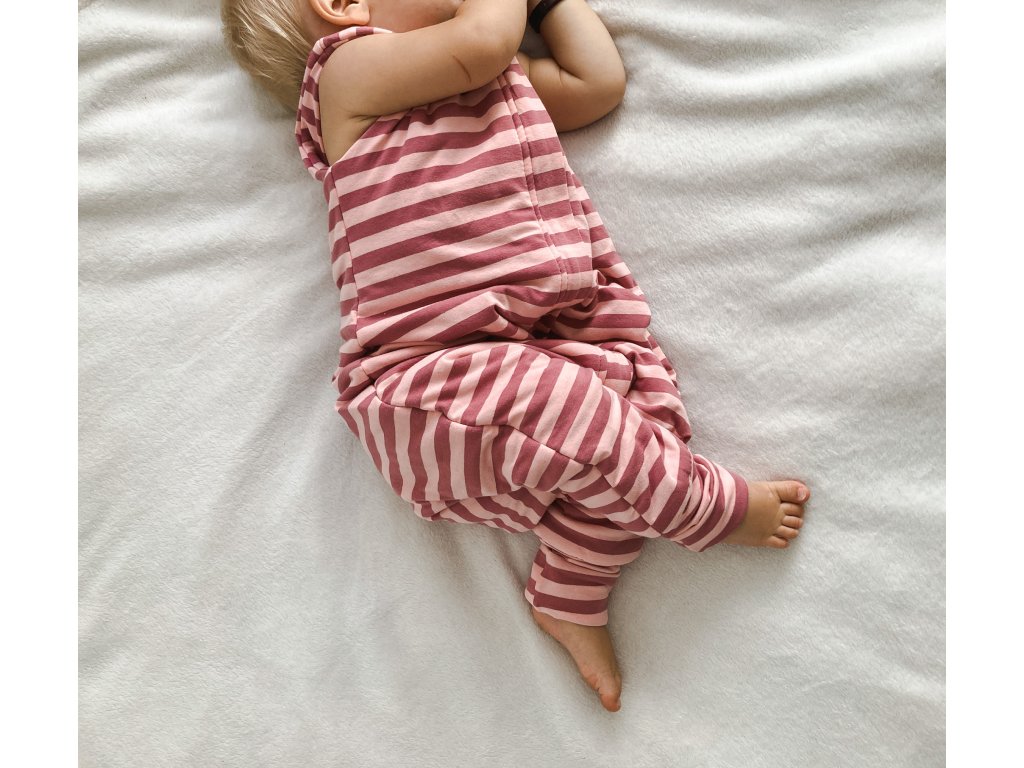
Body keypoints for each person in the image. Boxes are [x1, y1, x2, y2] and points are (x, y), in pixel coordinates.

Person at [222, 0, 810, 713]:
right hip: (430, 383)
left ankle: (572, 584)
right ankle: (704, 509)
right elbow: (482, 38)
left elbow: (594, 86)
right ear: (342, 6)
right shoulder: (346, 74)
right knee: (588, 422)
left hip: (550, 336)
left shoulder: (493, 72)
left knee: (643, 422)